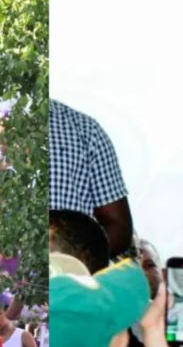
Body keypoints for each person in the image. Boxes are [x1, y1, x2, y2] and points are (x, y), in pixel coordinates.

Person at [48, 99, 135, 258]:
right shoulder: (6, 130)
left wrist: (75, 262)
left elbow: (119, 226)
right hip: (19, 277)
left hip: (76, 278)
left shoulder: (86, 131)